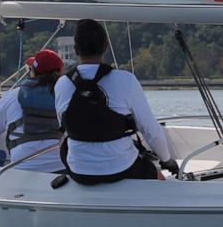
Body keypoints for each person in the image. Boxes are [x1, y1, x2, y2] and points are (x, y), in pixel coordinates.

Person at [54, 18, 174, 184]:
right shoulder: (126, 80)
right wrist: (167, 160)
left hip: (79, 171)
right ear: (106, 47)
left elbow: (65, 126)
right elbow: (150, 130)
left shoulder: (62, 84)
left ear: (75, 50)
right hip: (122, 168)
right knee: (158, 176)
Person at [0, 49, 66, 174]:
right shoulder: (65, 97)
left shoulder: (12, 97)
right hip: (60, 167)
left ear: (33, 71)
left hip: (24, 168)